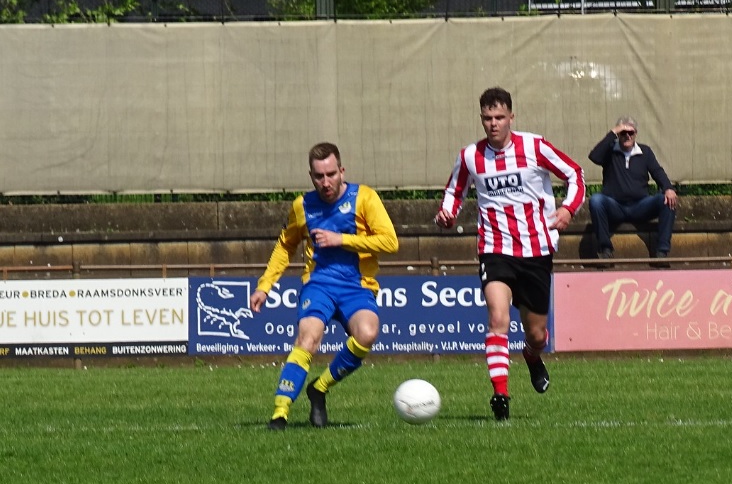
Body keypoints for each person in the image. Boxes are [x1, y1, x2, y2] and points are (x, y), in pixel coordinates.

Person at [434, 87, 585, 421]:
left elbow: (575, 173)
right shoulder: (470, 156)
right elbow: (454, 191)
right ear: (481, 119)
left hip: (536, 249)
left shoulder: (535, 146)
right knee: (497, 318)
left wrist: (568, 209)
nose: (493, 124)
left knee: (536, 334)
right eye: (487, 118)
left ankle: (532, 357)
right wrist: (446, 214)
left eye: (499, 117)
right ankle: (500, 395)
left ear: (511, 117)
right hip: (495, 248)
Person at [250, 142, 399, 430]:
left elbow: (390, 242)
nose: (326, 182)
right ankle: (279, 413)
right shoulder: (302, 206)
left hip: (357, 286)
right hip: (319, 283)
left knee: (366, 335)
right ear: (311, 176)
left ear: (342, 171)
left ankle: (319, 388)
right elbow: (285, 245)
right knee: (308, 339)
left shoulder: (364, 198)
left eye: (331, 174)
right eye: (319, 176)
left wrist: (341, 240)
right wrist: (264, 286)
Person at [587, 116, 677, 259]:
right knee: (596, 200)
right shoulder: (609, 151)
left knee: (667, 200)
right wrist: (613, 132)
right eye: (623, 133)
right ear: (618, 134)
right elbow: (594, 157)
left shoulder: (645, 151)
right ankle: (605, 249)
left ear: (636, 133)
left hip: (640, 206)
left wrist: (668, 188)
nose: (627, 136)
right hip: (615, 206)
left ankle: (662, 251)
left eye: (631, 132)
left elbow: (657, 171)